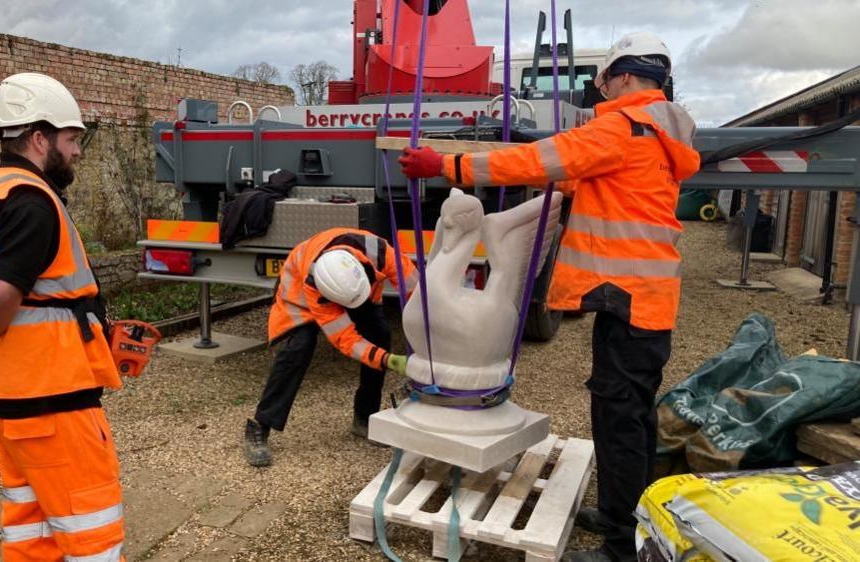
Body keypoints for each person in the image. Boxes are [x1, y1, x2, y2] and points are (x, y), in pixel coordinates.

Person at [398, 32, 700, 562]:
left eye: (602, 80)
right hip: (638, 297)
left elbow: (536, 160)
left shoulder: (622, 125)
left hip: (627, 296)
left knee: (621, 420)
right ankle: (621, 515)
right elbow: (616, 193)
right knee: (626, 414)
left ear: (624, 77)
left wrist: (447, 167)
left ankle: (620, 549)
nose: (599, 91)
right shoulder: (658, 134)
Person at [0, 72, 126, 561]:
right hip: (50, 395)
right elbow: (0, 290)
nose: (78, 151)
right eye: (72, 139)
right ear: (40, 138)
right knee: (91, 526)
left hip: (5, 394)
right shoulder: (32, 201)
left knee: (31, 521)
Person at [244, 227, 418, 467]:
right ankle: (260, 426)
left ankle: (364, 417)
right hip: (299, 296)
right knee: (298, 349)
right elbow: (346, 339)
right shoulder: (316, 287)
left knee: (379, 333)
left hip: (353, 290)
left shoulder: (381, 253)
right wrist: (386, 360)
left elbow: (419, 295)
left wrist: (431, 333)